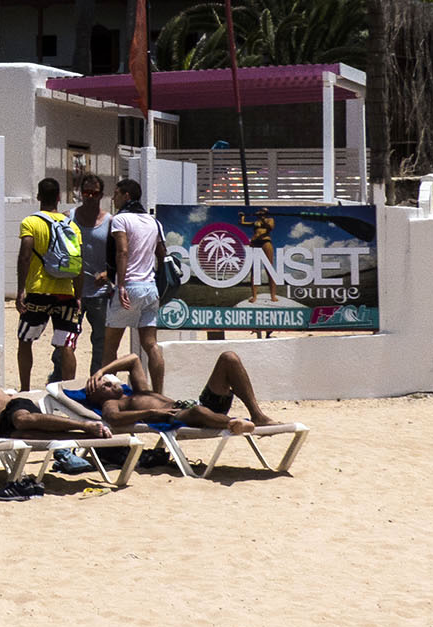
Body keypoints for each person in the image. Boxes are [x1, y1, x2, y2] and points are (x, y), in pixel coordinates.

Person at [0, 342, 108, 440]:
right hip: (4, 431)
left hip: (16, 409)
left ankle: (86, 425)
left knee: (21, 419)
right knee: (27, 435)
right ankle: (87, 436)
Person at [79, 351, 278, 433]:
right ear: (98, 398)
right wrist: (150, 414)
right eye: (104, 386)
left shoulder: (137, 391)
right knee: (199, 412)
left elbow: (133, 359)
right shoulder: (114, 404)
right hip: (178, 415)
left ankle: (257, 415)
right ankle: (232, 424)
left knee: (229, 358)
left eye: (107, 381)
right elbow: (112, 418)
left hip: (198, 404)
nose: (110, 383)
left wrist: (101, 371)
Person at [15, 177, 81, 391]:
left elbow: (25, 256)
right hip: (66, 293)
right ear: (59, 197)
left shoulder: (31, 222)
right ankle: (68, 391)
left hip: (39, 291)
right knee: (66, 344)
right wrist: (78, 295)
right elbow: (78, 261)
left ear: (38, 196)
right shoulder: (72, 226)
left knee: (26, 340)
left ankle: (25, 389)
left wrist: (20, 291)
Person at [103, 178, 167, 393]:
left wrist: (120, 285)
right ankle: (158, 393)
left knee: (110, 345)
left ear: (126, 196)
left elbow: (122, 251)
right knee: (151, 345)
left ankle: (107, 393)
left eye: (116, 193)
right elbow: (162, 254)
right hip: (150, 287)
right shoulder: (154, 222)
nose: (113, 198)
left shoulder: (120, 220)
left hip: (129, 286)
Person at [69, 174, 115, 379]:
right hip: (71, 292)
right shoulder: (68, 218)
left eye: (94, 193)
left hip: (100, 292)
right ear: (80, 192)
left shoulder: (110, 222)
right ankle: (60, 380)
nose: (89, 196)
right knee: (66, 340)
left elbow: (121, 254)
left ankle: (96, 380)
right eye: (86, 192)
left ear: (101, 195)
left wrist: (108, 273)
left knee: (101, 342)